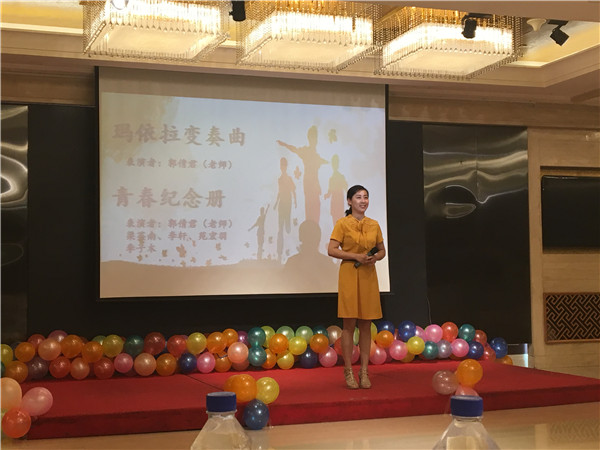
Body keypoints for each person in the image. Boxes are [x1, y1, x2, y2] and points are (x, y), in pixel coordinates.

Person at [327, 185, 386, 389]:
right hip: (349, 273)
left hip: (368, 275)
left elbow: (382, 251)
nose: (363, 201)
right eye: (358, 197)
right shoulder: (342, 223)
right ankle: (348, 371)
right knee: (349, 325)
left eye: (366, 197)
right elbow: (332, 249)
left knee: (366, 324)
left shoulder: (374, 224)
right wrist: (355, 256)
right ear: (349, 201)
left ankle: (364, 371)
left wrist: (375, 258)